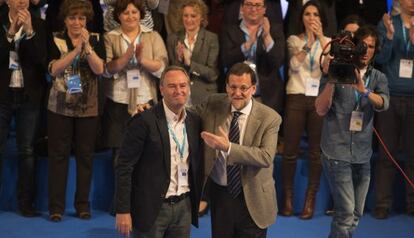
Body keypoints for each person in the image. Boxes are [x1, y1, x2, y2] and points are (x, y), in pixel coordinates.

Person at [315, 25, 389, 237]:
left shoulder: (378, 78)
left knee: (355, 213)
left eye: (371, 46)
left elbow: (383, 103)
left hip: (362, 155)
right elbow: (320, 109)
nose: (366, 51)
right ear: (354, 47)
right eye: (362, 45)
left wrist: (364, 91)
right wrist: (331, 79)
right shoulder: (337, 71)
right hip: (336, 153)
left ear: (376, 50)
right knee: (346, 213)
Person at [115, 66, 203, 238]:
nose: (179, 90)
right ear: (161, 89)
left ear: (189, 88)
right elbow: (123, 166)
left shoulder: (195, 121)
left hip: (184, 207)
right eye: (172, 86)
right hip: (151, 209)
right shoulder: (143, 121)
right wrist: (123, 210)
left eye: (183, 85)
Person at [196, 62, 281, 238]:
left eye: (243, 88)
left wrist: (228, 148)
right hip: (221, 195)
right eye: (232, 87)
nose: (237, 93)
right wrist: (153, 111)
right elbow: (187, 114)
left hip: (253, 196)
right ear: (226, 87)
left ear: (253, 88)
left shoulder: (270, 118)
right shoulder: (214, 102)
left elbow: (265, 157)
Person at [47, 0, 106, 222]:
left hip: (88, 108)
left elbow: (100, 69)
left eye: (81, 18)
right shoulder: (55, 38)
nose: (77, 22)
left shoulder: (97, 39)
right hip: (59, 107)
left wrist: (87, 47)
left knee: (85, 157)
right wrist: (76, 50)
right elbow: (54, 69)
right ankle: (56, 207)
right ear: (65, 19)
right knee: (58, 157)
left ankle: (83, 205)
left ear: (86, 20)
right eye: (72, 18)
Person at [280, 0, 330, 220]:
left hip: (318, 99)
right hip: (296, 97)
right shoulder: (293, 40)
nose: (312, 18)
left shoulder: (328, 42)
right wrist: (309, 43)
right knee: (290, 151)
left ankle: (311, 200)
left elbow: (329, 67)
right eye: (308, 14)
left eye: (316, 14)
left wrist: (320, 40)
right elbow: (293, 65)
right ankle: (288, 199)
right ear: (302, 18)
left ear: (321, 19)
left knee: (315, 152)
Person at [103, 0, 167, 167]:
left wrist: (141, 60)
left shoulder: (153, 36)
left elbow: (162, 68)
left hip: (146, 101)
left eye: (134, 12)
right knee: (120, 158)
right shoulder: (110, 37)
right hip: (118, 103)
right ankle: (121, 193)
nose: (130, 16)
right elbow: (106, 70)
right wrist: (125, 58)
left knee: (147, 157)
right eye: (126, 13)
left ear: (140, 14)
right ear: (118, 16)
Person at [0, 0, 47, 217]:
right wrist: (10, 33)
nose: (21, 1)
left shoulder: (39, 24)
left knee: (27, 150)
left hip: (29, 95)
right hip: (3, 95)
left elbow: (42, 61)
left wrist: (29, 32)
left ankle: (26, 203)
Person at [374, 0, 414, 219]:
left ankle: (412, 202)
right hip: (390, 94)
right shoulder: (389, 23)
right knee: (386, 155)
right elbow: (379, 58)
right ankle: (382, 203)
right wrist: (389, 37)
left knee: (413, 154)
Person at [220, 0, 285, 114]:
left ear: (264, 9)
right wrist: (247, 45)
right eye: (249, 4)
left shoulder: (275, 30)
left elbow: (278, 61)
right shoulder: (230, 30)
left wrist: (267, 36)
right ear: (241, 8)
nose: (253, 9)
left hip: (267, 97)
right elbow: (226, 60)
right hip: (237, 95)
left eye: (257, 5)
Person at [167, 0, 219, 105]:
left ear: (202, 18)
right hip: (180, 97)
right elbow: (172, 72)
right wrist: (180, 59)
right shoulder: (173, 39)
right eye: (185, 16)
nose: (189, 19)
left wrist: (190, 63)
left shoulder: (211, 39)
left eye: (193, 16)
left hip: (204, 97)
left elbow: (212, 74)